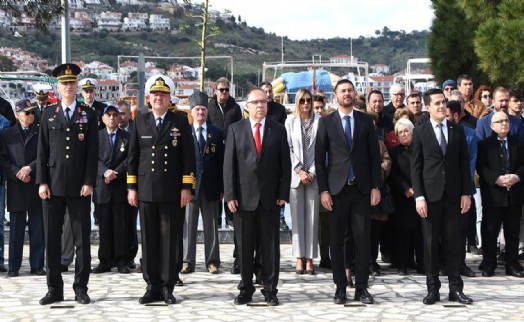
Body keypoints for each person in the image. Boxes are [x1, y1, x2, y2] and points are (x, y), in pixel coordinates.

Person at [127, 75, 195, 305]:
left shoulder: (180, 121)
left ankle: (167, 286)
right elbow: (133, 157)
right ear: (149, 97)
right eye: (155, 94)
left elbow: (188, 158)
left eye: (163, 95)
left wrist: (187, 187)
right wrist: (131, 188)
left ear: (169, 98)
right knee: (149, 239)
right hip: (146, 190)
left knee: (169, 240)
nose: (159, 98)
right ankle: (151, 285)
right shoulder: (141, 120)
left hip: (171, 191)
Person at [315, 79, 382, 305]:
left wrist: (376, 186)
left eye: (350, 90)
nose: (347, 94)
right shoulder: (326, 122)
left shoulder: (365, 121)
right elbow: (319, 160)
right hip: (336, 192)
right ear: (336, 95)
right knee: (337, 242)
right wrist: (323, 190)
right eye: (342, 91)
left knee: (363, 240)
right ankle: (340, 288)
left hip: (362, 190)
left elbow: (375, 157)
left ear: (355, 94)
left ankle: (362, 288)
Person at [36, 63, 98, 305]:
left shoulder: (88, 114)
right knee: (52, 240)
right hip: (52, 185)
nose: (69, 87)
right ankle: (54, 288)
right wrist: (42, 181)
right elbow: (42, 151)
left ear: (77, 86)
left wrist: (89, 181)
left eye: (72, 83)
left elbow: (92, 153)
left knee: (82, 240)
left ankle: (80, 287)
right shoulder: (48, 113)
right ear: (58, 87)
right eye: (64, 83)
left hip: (80, 187)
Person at [223, 87, 291, 306]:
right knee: (244, 247)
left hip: (270, 198)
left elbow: (285, 166)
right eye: (256, 103)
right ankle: (245, 288)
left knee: (270, 248)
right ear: (247, 107)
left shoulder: (278, 130)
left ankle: (270, 289)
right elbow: (229, 166)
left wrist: (283, 193)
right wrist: (230, 195)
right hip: (243, 199)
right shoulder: (235, 129)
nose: (260, 106)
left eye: (263, 102)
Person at [411, 88, 472, 305]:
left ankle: (455, 288)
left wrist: (467, 192)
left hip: (454, 195)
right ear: (428, 107)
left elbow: (464, 164)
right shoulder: (420, 131)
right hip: (430, 196)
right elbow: (415, 167)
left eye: (443, 102)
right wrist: (419, 196)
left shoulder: (457, 130)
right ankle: (432, 288)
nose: (440, 106)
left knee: (453, 244)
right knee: (430, 246)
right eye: (436, 103)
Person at [0, 99, 45, 277]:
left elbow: (44, 156)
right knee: (16, 229)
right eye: (27, 113)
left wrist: (30, 168)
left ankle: (37, 265)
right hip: (16, 184)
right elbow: (3, 159)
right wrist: (17, 172)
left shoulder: (40, 133)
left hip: (34, 183)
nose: (31, 115)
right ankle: (13, 266)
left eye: (33, 112)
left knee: (37, 227)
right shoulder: (7, 135)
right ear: (18, 115)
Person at [477, 111, 524, 278]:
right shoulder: (484, 145)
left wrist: (517, 176)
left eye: (506, 120)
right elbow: (481, 167)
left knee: (512, 231)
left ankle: (512, 263)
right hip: (493, 194)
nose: (504, 123)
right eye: (500, 121)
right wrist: (495, 179)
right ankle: (489, 263)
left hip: (514, 194)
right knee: (490, 230)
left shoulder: (518, 144)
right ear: (492, 126)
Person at [181, 91, 223, 275]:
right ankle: (186, 261)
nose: (201, 112)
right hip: (190, 187)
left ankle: (212, 261)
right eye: (197, 109)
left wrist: (222, 188)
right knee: (188, 226)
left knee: (211, 225)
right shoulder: (184, 133)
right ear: (191, 111)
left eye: (204, 109)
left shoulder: (217, 133)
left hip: (211, 186)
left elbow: (222, 163)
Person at [285, 89, 320, 275]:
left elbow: (322, 150)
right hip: (296, 176)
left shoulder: (319, 122)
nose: (306, 104)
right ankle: (299, 256)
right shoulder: (290, 121)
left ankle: (310, 258)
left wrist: (312, 172)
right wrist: (299, 170)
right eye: (302, 101)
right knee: (297, 220)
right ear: (297, 103)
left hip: (314, 176)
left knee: (313, 219)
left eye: (308, 100)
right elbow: (288, 148)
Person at [92, 105, 130, 274]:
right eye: (109, 115)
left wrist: (117, 172)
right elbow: (92, 159)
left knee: (120, 226)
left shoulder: (127, 137)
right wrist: (105, 172)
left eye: (115, 115)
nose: (113, 118)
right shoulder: (97, 136)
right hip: (102, 187)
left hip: (120, 186)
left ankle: (121, 260)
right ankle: (105, 260)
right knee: (104, 226)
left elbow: (130, 158)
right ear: (103, 118)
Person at [388, 118, 423, 275]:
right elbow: (393, 174)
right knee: (402, 233)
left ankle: (421, 263)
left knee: (419, 233)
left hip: (421, 196)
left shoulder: (422, 149)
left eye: (406, 131)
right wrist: (405, 188)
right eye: (399, 132)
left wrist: (418, 189)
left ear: (412, 132)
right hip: (403, 197)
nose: (403, 134)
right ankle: (402, 264)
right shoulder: (394, 152)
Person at [260, 81, 289, 231]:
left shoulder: (280, 110)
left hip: (276, 154)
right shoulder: (258, 110)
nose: (268, 94)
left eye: (270, 91)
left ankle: (282, 218)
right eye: (265, 91)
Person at [117, 100, 139, 269]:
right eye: (117, 113)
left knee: (131, 222)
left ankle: (130, 254)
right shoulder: (107, 131)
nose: (119, 117)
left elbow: (133, 158)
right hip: (113, 185)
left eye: (123, 113)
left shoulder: (135, 130)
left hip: (131, 182)